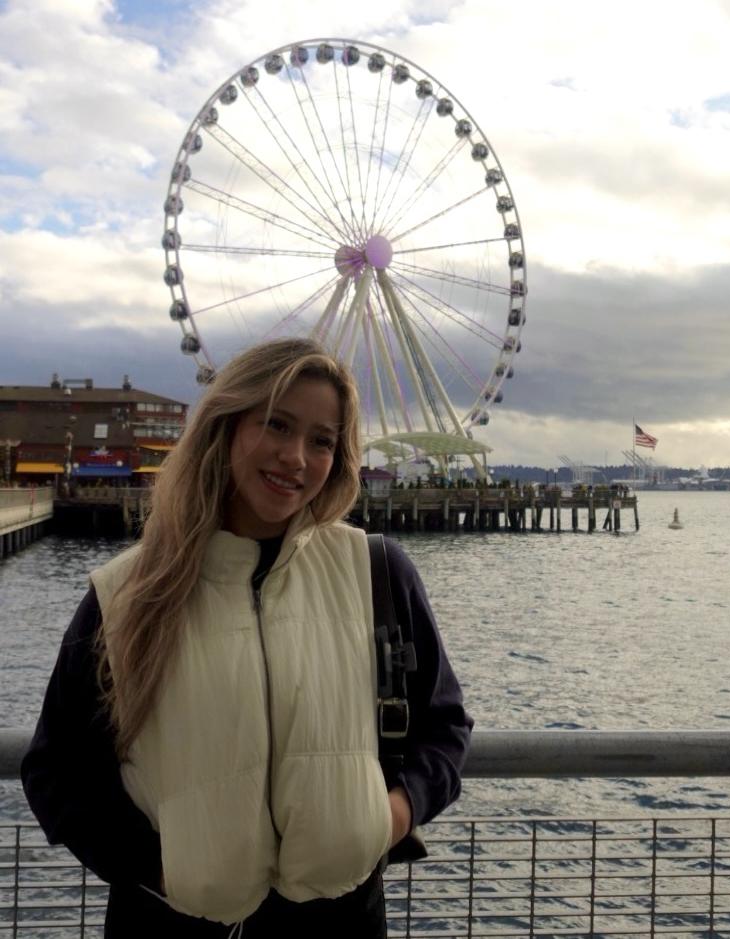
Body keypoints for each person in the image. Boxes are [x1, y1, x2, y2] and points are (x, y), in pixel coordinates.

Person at [21, 337, 473, 938]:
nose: (296, 457)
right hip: (168, 924)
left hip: (340, 920)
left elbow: (444, 725)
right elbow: (58, 769)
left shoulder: (377, 572)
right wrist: (161, 871)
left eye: (322, 441)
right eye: (277, 425)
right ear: (227, 425)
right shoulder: (127, 593)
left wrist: (390, 815)